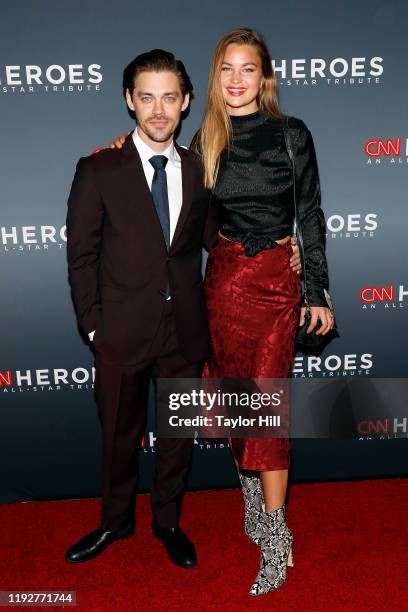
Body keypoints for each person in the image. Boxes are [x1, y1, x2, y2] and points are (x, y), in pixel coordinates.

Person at [65, 49, 219, 569]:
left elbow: (217, 240)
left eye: (169, 98)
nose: (158, 110)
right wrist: (93, 328)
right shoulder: (98, 168)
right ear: (129, 100)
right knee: (117, 438)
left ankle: (168, 522)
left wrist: (283, 244)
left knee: (177, 437)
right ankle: (115, 521)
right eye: (147, 97)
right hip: (120, 333)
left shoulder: (201, 169)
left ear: (186, 102)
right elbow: (82, 255)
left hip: (184, 332)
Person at [194, 28, 335, 595]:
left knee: (269, 408)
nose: (235, 79)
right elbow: (174, 201)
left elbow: (312, 214)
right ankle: (251, 501)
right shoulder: (205, 137)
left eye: (247, 69)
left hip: (279, 285)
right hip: (224, 283)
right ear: (215, 76)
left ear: (264, 77)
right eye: (226, 68)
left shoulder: (290, 135)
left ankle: (277, 537)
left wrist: (317, 288)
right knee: (235, 400)